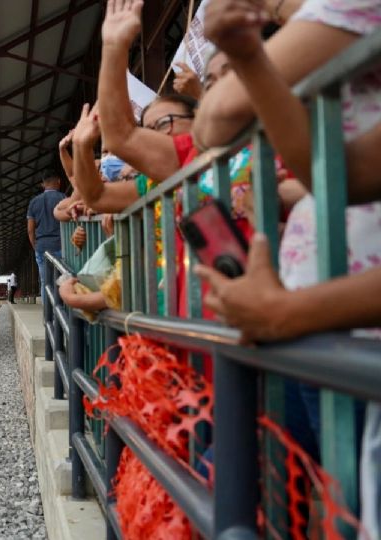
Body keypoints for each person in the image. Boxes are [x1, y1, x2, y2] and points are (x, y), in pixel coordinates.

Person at [195, 0, 381, 533]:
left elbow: (221, 116)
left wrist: (289, 312)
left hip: (340, 334)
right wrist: (250, 57)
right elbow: (344, 172)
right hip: (329, 334)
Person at [27, 173, 66, 305]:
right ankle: (62, 312)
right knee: (63, 279)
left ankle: (48, 315)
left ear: (43, 184)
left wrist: (35, 246)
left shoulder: (34, 202)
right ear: (59, 182)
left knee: (45, 282)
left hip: (42, 246)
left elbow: (30, 229)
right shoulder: (64, 198)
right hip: (62, 246)